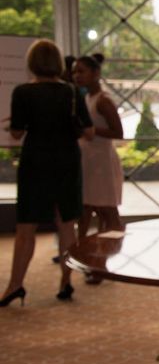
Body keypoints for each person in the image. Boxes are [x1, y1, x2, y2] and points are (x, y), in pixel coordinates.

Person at [1, 39, 93, 307]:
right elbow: (87, 131)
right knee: (67, 223)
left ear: (32, 63)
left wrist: (13, 127)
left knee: (26, 226)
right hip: (67, 159)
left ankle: (15, 285)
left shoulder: (23, 93)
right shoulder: (73, 93)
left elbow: (18, 132)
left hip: (36, 160)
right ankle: (66, 281)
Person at [72, 53, 124, 238]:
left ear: (95, 73)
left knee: (107, 211)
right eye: (74, 72)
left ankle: (115, 246)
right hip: (89, 163)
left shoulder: (103, 101)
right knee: (84, 210)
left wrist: (90, 130)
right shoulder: (86, 98)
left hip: (102, 164)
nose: (76, 76)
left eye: (81, 71)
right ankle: (81, 252)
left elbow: (118, 132)